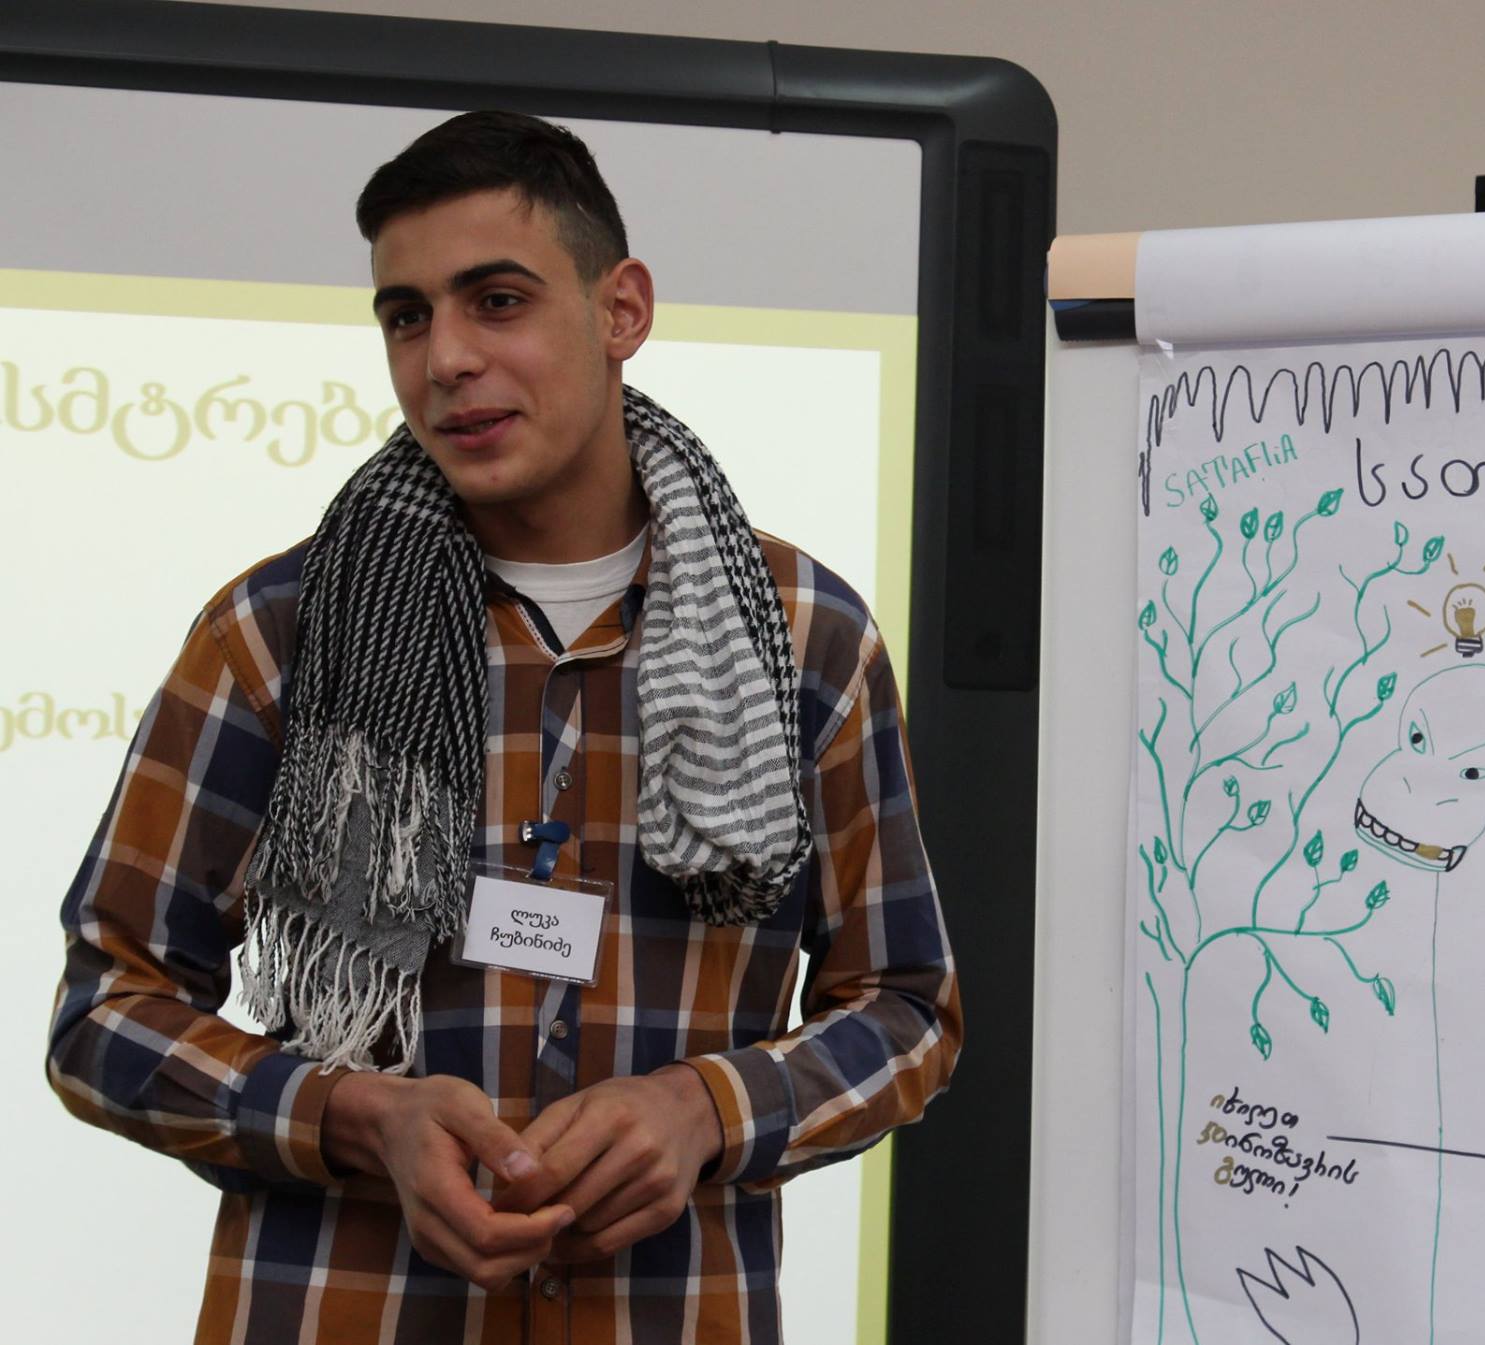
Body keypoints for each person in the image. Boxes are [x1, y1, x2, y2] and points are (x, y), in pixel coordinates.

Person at [46, 109, 961, 1343]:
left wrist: (706, 1108)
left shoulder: (805, 638)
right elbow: (103, 1010)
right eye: (406, 316)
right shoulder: (278, 631)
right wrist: (354, 1118)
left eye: (496, 301)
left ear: (620, 309)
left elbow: (906, 1007)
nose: (446, 360)